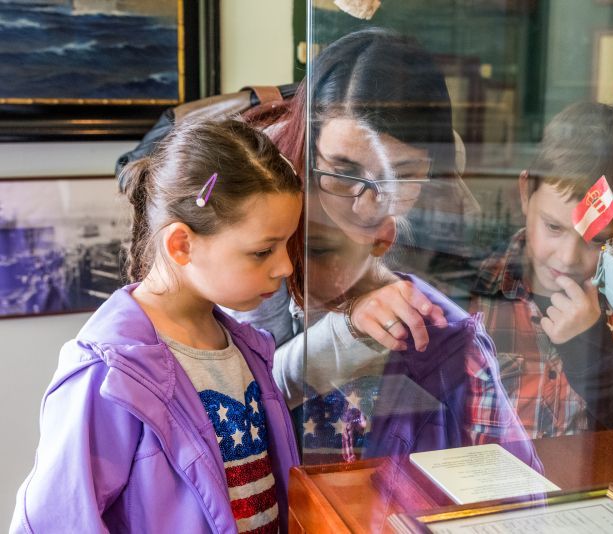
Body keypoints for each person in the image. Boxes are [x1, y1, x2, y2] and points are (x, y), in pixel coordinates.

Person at [242, 28, 540, 471]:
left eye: (402, 176)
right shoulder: (258, 206)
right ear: (308, 149)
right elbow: (240, 392)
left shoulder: (440, 212)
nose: (370, 205)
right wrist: (347, 327)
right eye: (343, 171)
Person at [11, 119, 303, 533]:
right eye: (262, 251)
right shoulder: (107, 375)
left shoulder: (246, 348)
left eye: (287, 245)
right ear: (181, 244)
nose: (285, 266)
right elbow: (53, 522)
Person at [471, 102, 613, 438]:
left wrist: (592, 348)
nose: (568, 258)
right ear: (526, 193)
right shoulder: (468, 292)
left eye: (597, 240)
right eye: (553, 227)